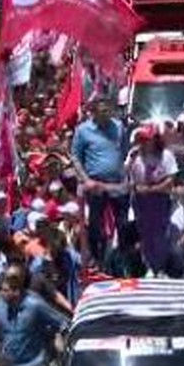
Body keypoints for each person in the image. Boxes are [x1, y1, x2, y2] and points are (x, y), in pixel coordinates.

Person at [71, 97, 129, 266]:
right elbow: (75, 157)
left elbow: (124, 151)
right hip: (94, 183)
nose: (107, 114)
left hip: (117, 183)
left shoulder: (118, 127)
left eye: (108, 111)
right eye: (103, 111)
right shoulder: (83, 130)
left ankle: (122, 260)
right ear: (94, 113)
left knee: (123, 222)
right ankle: (98, 259)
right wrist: (85, 179)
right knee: (96, 225)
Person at [126, 125, 179, 276]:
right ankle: (149, 266)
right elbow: (126, 174)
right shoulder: (134, 155)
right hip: (141, 200)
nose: (143, 143)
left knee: (160, 234)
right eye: (141, 140)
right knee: (145, 233)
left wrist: (153, 189)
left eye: (146, 140)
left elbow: (171, 179)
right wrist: (131, 158)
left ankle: (160, 267)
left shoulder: (166, 155)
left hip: (160, 200)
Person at [0, 273, 68, 366]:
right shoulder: (0, 308)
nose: (1, 294)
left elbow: (62, 322)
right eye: (1, 290)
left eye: (6, 290)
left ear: (16, 292)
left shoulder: (34, 306)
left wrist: (58, 341)